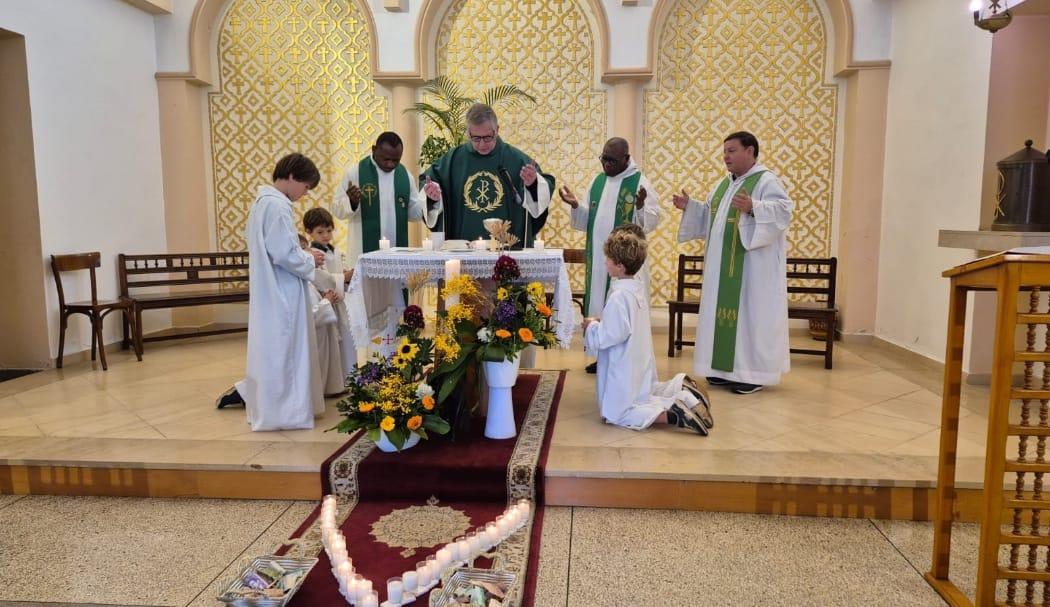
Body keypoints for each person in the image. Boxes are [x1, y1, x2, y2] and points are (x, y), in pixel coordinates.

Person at [674, 131, 792, 394]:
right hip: (722, 270)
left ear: (750, 151)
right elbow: (711, 217)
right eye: (724, 151)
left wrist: (754, 207)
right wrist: (690, 207)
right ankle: (722, 370)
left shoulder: (766, 181)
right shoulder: (724, 184)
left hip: (753, 271)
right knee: (722, 317)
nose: (726, 156)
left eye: (732, 150)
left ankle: (752, 373)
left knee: (750, 317)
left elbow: (783, 211)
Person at [215, 153, 327, 431]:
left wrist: (302, 253)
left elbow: (279, 249)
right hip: (283, 294)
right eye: (306, 186)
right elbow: (284, 254)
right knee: (286, 352)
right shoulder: (277, 207)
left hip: (272, 291)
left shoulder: (262, 204)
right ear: (291, 177)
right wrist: (310, 258)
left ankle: (275, 409)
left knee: (274, 352)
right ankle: (287, 413)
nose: (305, 193)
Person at [582, 229, 713, 433]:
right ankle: (683, 395)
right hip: (636, 358)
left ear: (620, 265)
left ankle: (674, 413)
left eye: (608, 258)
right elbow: (626, 324)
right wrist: (603, 321)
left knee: (617, 413)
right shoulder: (635, 288)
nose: (605, 262)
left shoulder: (618, 296)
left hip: (622, 364)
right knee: (643, 396)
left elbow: (609, 336)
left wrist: (591, 325)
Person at [558, 137, 661, 373]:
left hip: (625, 266)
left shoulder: (639, 182)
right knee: (598, 303)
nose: (606, 164)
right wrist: (576, 206)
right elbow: (588, 219)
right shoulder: (598, 182)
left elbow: (652, 221)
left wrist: (641, 207)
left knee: (620, 309)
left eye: (612, 160)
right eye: (603, 158)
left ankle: (626, 359)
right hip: (600, 262)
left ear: (626, 158)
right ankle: (600, 356)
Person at [421, 103, 554, 247]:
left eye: (487, 137)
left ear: (497, 130)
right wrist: (432, 196)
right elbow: (428, 182)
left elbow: (540, 195)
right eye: (476, 138)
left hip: (507, 251)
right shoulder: (453, 160)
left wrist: (532, 185)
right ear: (468, 133)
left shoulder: (517, 160)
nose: (482, 144)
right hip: (463, 249)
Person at [332, 131, 441, 266]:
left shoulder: (405, 176)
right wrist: (351, 202)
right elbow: (337, 210)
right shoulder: (355, 173)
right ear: (374, 150)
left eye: (396, 160)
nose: (390, 164)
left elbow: (414, 214)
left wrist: (429, 199)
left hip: (396, 254)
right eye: (386, 159)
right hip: (363, 251)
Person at [304, 207, 356, 376]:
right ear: (309, 232)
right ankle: (334, 380)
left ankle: (348, 377)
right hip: (325, 302)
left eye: (329, 230)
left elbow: (344, 270)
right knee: (331, 343)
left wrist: (348, 276)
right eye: (320, 232)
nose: (326, 235)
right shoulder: (311, 255)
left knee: (346, 339)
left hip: (340, 302)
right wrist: (344, 277)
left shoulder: (337, 251)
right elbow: (319, 278)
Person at [298, 234, 345, 397]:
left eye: (307, 247)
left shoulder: (307, 278)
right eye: (303, 249)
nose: (310, 251)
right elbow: (310, 316)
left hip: (323, 334)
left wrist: (324, 296)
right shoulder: (298, 284)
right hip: (314, 337)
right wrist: (326, 301)